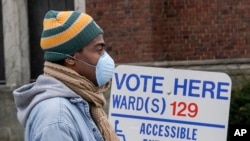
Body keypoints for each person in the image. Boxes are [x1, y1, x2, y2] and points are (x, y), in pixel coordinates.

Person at [12, 10, 119, 141]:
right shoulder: (57, 118)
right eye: (99, 49)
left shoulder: (84, 100)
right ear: (70, 59)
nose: (105, 56)